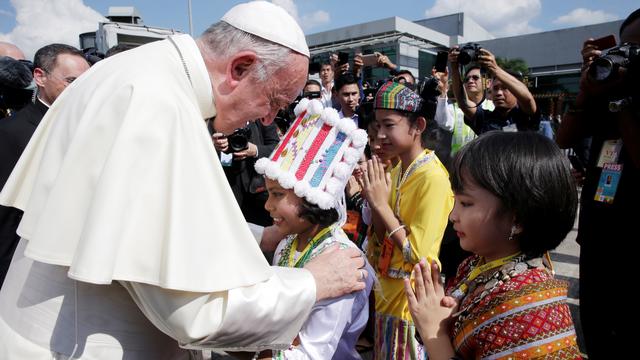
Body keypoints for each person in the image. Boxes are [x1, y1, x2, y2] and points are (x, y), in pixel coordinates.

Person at [0, 2, 367, 358]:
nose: (270, 120)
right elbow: (194, 311)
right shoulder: (158, 106)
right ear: (240, 67)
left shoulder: (140, 72)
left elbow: (159, 227)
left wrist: (262, 237)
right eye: (273, 100)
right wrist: (312, 284)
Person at [404, 131, 581, 359]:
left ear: (517, 217)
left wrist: (433, 332)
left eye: (466, 203)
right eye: (455, 201)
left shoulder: (526, 308)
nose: (453, 216)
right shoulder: (475, 265)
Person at [253, 98, 374, 359]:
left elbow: (314, 352)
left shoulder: (343, 261)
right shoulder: (287, 243)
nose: (268, 206)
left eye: (277, 195)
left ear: (310, 197)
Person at [556, 8, 640, 358]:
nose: (628, 56)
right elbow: (564, 137)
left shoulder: (622, 100)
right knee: (596, 334)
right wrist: (588, 89)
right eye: (624, 47)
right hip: (598, 238)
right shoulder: (608, 92)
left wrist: (621, 103)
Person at [361, 81, 454, 359]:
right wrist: (374, 197)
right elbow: (379, 237)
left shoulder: (432, 177)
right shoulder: (400, 168)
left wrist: (381, 204)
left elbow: (420, 255)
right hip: (388, 293)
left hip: (410, 300)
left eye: (389, 125)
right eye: (377, 126)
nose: (380, 134)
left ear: (418, 126)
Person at [0, 43, 89, 287]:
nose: (81, 90)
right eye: (71, 81)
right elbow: (6, 218)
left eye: (87, 81)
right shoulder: (11, 133)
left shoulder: (88, 128)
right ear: (40, 77)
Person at [449, 48, 539, 134]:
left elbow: (527, 99)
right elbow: (462, 102)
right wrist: (454, 66)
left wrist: (495, 69)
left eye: (505, 88)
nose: (499, 93)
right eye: (495, 88)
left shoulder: (525, 116)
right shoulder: (484, 118)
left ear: (516, 92)